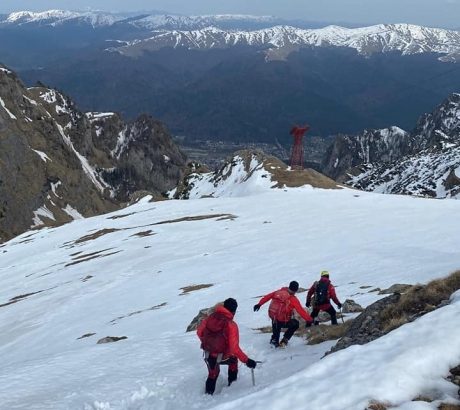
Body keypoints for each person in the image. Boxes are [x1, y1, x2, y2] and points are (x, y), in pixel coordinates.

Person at [197, 298, 257, 395]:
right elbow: (234, 348)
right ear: (234, 311)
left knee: (212, 374)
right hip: (224, 356)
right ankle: (232, 387)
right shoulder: (231, 325)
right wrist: (247, 360)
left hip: (209, 354)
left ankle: (207, 396)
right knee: (233, 361)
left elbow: (199, 332)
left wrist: (208, 343)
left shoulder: (210, 318)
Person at [253, 281, 313, 348]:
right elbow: (301, 311)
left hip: (274, 318)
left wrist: (259, 304)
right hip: (283, 320)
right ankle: (284, 340)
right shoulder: (293, 299)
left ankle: (274, 340)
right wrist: (309, 319)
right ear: (296, 290)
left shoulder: (279, 292)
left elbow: (268, 296)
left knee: (275, 336)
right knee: (295, 324)